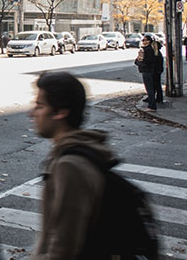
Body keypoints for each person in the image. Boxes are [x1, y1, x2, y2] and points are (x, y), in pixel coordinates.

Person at [30, 71, 117, 259]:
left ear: (61, 112)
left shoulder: (69, 166)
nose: (32, 113)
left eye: (39, 106)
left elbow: (63, 249)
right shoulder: (82, 152)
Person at [135, 34, 161, 111]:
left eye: (146, 40)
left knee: (149, 88)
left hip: (147, 70)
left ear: (150, 41)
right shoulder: (149, 49)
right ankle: (151, 104)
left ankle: (152, 106)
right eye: (143, 40)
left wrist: (138, 63)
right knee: (150, 88)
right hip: (149, 70)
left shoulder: (148, 50)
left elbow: (146, 61)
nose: (144, 42)